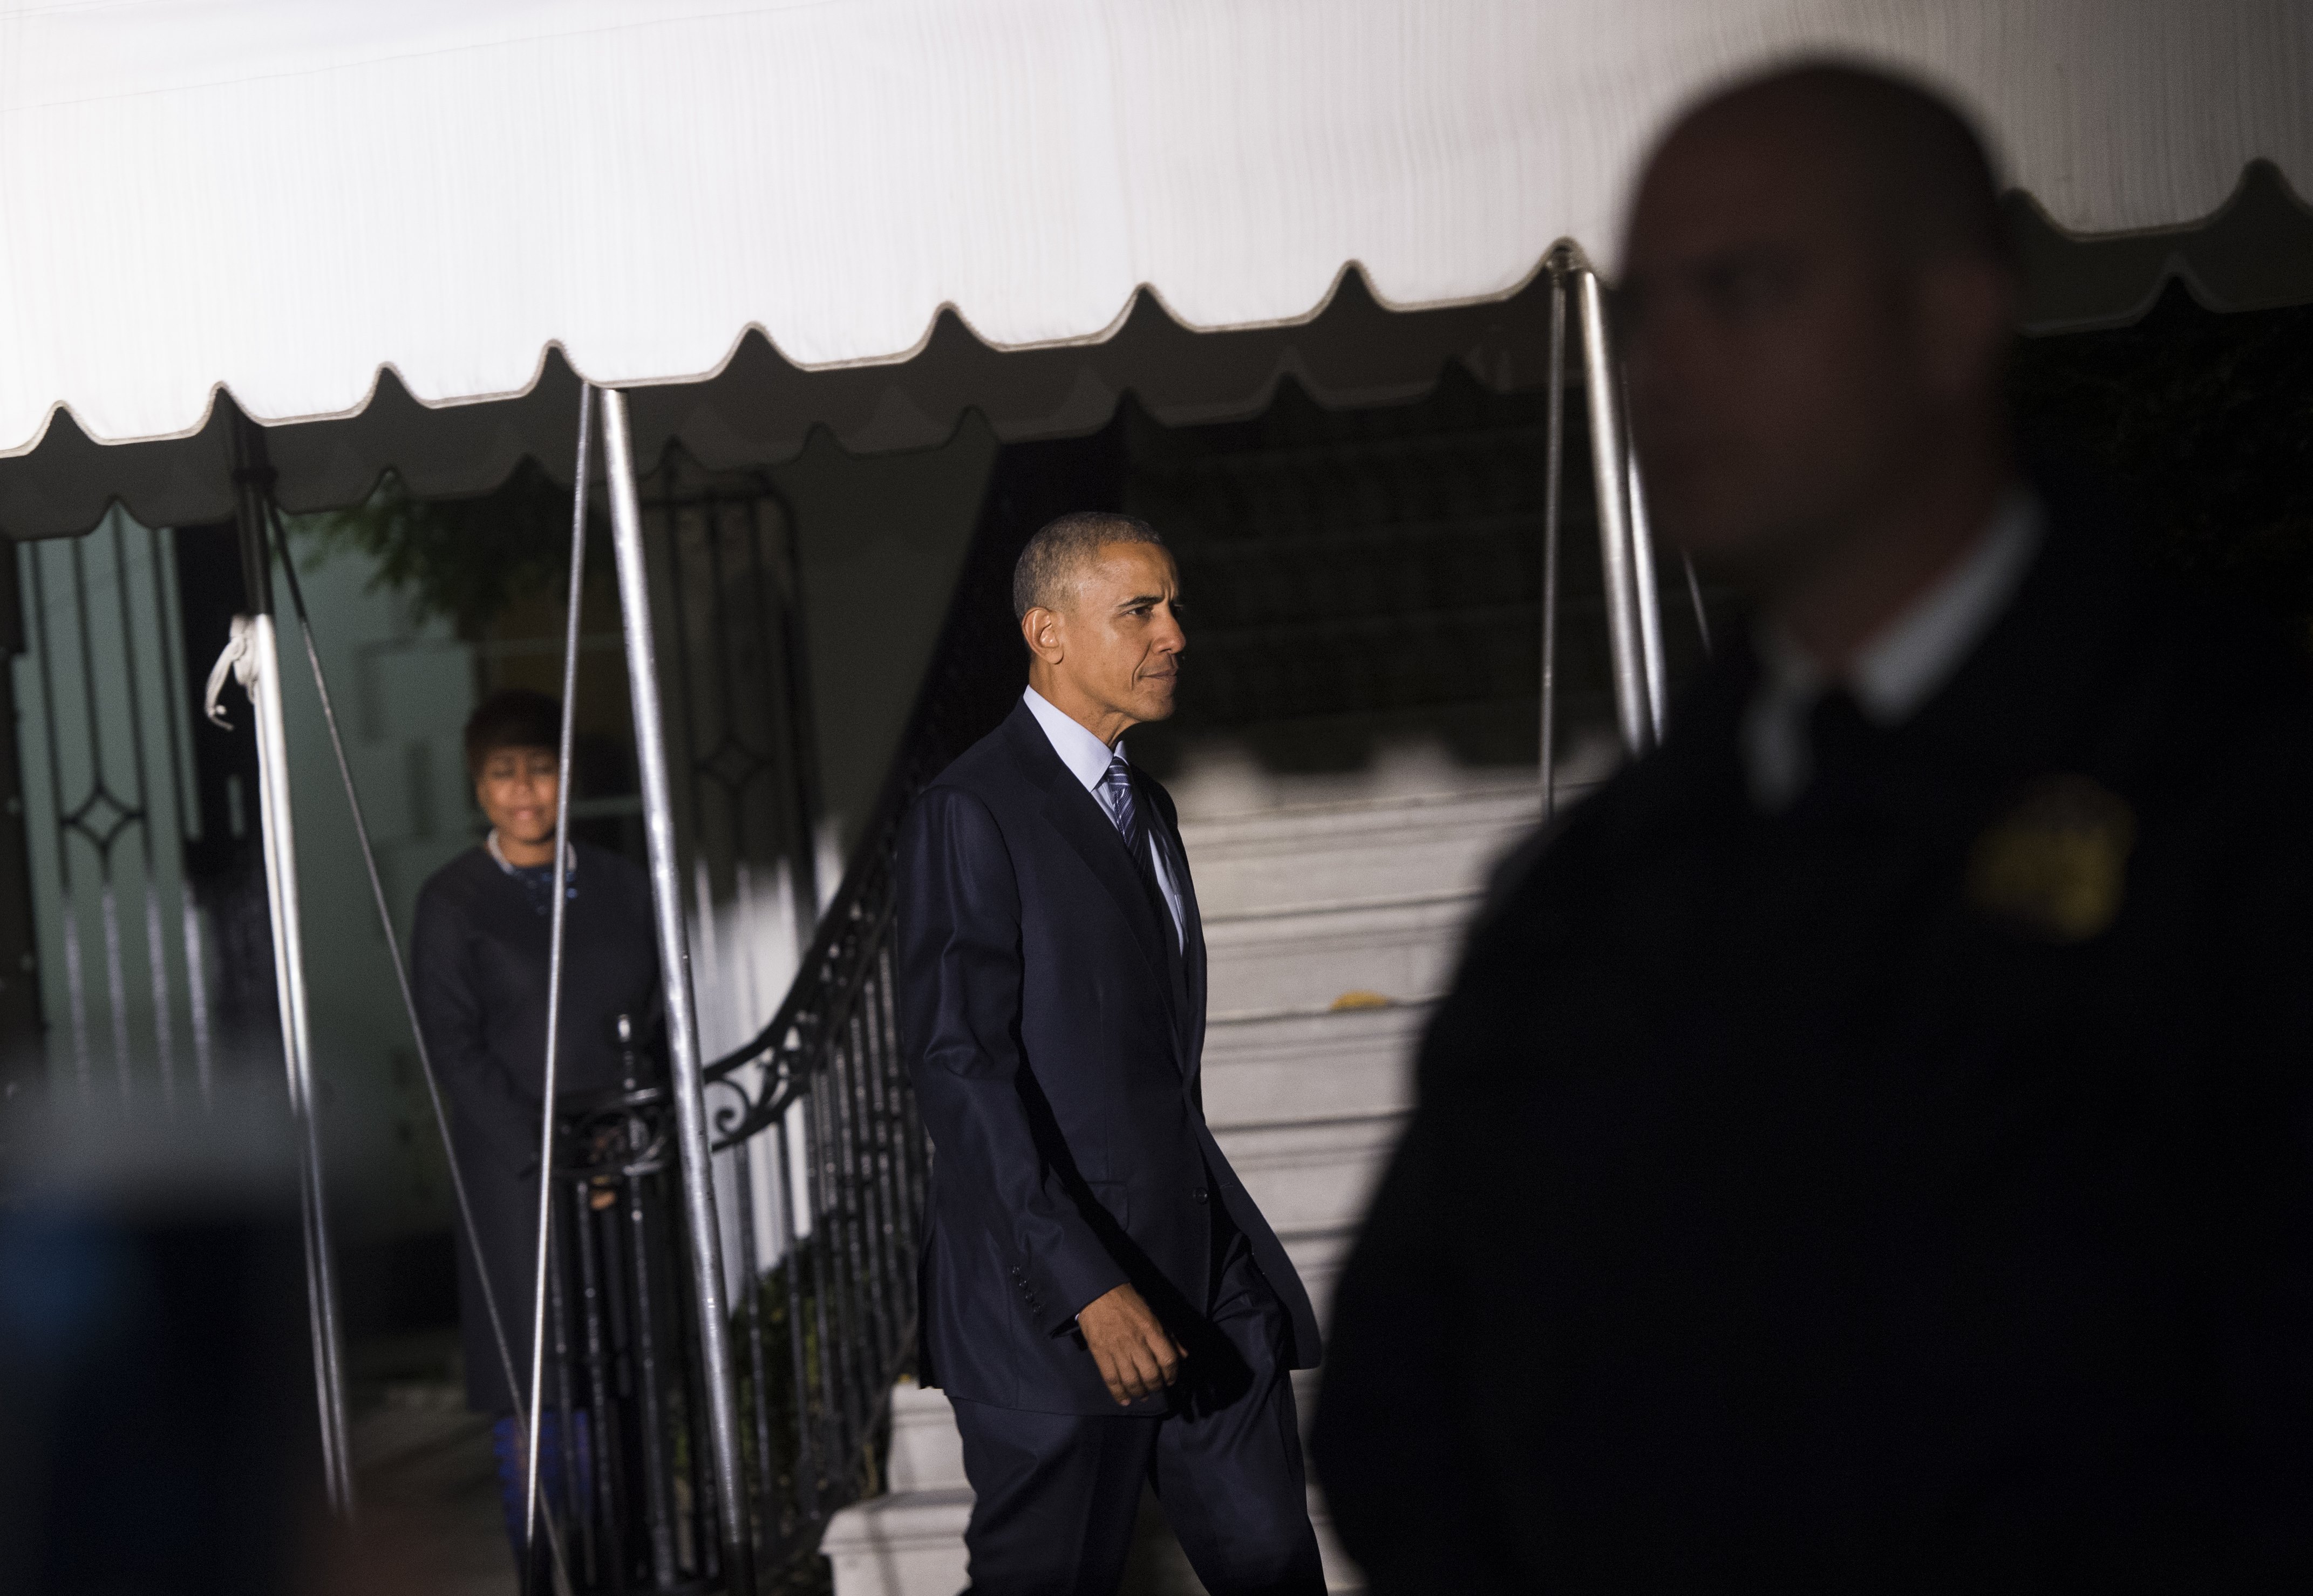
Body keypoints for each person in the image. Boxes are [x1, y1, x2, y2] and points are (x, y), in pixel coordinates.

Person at [1311, 63, 2313, 1587]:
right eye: (1647, 308)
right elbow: (1403, 1392)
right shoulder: (1593, 886)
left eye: (1747, 290)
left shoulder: (2234, 786)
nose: (1671, 366)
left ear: (1950, 314)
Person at [897, 511, 1328, 1595]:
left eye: (1174, 607)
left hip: (1203, 1274)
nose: (1173, 632)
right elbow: (959, 1068)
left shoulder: (1149, 805)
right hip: (1052, 1301)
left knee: (1273, 1562)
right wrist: (1087, 1286)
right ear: (1048, 632)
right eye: (1140, 610)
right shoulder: (970, 809)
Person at [410, 688, 663, 1585]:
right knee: (540, 1382)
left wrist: (616, 1146)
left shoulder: (625, 884)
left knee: (628, 1381)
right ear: (479, 785)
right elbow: (454, 1045)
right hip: (517, 1180)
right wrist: (556, 1155)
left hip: (621, 1170)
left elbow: (658, 1022)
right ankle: (548, 1569)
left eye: (542, 768)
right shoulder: (453, 902)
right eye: (504, 772)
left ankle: (630, 1563)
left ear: (569, 776)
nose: (525, 790)